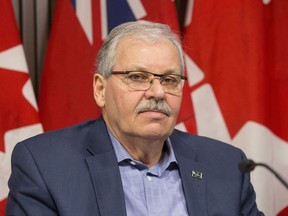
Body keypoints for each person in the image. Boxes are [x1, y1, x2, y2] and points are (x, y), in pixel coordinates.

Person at [6, 20, 264, 216]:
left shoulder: (227, 166)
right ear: (100, 89)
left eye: (170, 80)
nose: (158, 92)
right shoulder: (45, 166)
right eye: (137, 77)